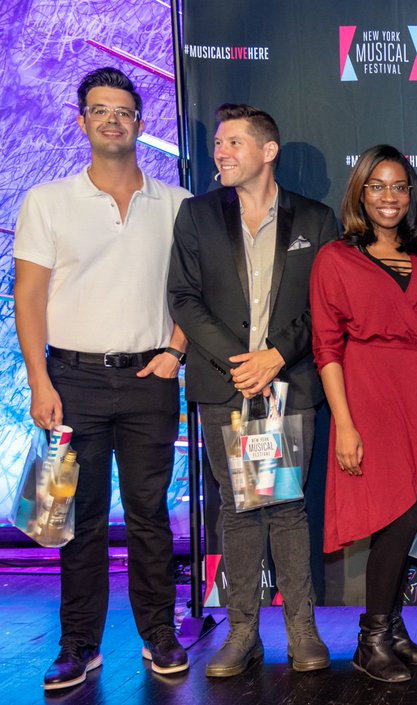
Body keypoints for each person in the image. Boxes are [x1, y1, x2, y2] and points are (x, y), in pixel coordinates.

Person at [14, 67, 191, 690]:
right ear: (82, 119)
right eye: (100, 110)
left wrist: (175, 351)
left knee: (148, 516)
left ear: (141, 123)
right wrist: (38, 381)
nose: (113, 120)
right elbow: (28, 298)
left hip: (150, 379)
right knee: (77, 520)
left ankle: (159, 635)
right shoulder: (48, 201)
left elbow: (195, 294)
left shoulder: (176, 205)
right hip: (73, 380)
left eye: (124, 111)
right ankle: (78, 645)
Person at [168, 104, 337, 677]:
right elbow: (183, 298)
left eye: (233, 142)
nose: (220, 152)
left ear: (268, 151)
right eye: (218, 143)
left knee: (288, 506)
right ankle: (242, 633)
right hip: (224, 384)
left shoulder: (315, 220)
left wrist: (276, 356)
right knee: (238, 510)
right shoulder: (196, 216)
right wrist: (241, 363)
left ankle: (302, 630)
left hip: (289, 384)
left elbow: (327, 308)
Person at [310, 146, 417, 682]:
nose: (389, 197)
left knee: (408, 515)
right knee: (394, 517)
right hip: (365, 396)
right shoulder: (335, 259)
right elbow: (326, 348)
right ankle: (371, 639)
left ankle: (391, 630)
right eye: (377, 186)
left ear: (410, 196)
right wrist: (344, 422)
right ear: (360, 194)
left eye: (398, 187)